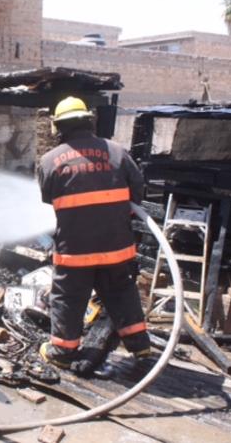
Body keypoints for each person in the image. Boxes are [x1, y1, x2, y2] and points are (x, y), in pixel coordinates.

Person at [36, 97, 150, 368]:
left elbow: (48, 198)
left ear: (58, 127)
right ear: (89, 121)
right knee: (122, 293)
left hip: (74, 251)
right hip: (116, 247)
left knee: (69, 298)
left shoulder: (49, 161)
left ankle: (62, 353)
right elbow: (138, 192)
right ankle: (140, 347)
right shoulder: (117, 152)